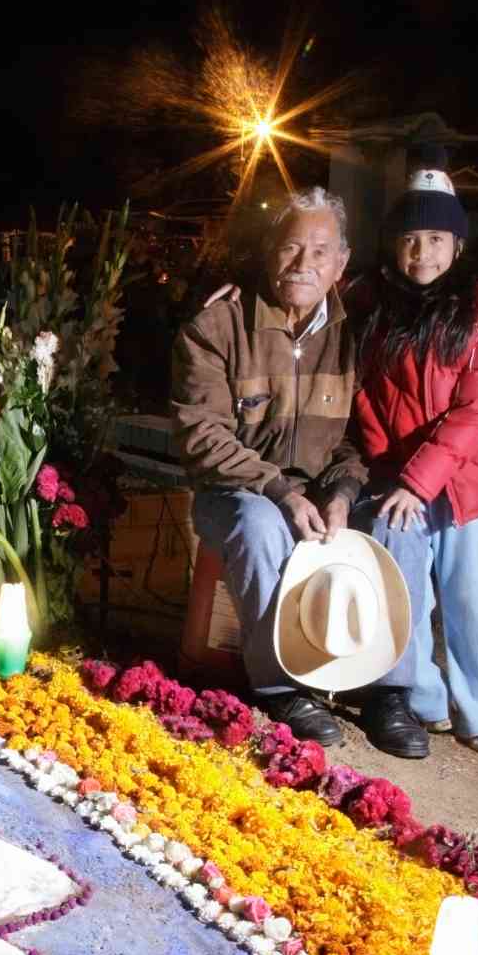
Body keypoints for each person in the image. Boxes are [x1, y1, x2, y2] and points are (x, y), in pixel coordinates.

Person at [170, 188, 366, 746]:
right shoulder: (217, 327)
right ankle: (282, 689)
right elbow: (201, 434)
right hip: (233, 492)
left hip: (319, 492)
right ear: (269, 251)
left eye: (321, 251)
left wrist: (344, 492)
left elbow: (357, 439)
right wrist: (279, 490)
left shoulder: (354, 336)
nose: (304, 263)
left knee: (389, 523)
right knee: (260, 524)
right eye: (291, 247)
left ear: (341, 263)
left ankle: (370, 683)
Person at [349, 150, 478, 759]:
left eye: (436, 239)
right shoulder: (372, 303)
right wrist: (387, 469)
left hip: (464, 480)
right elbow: (364, 394)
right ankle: (422, 698)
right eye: (410, 238)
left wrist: (420, 479)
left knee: (469, 599)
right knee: (408, 591)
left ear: (457, 243)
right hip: (398, 478)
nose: (422, 253)